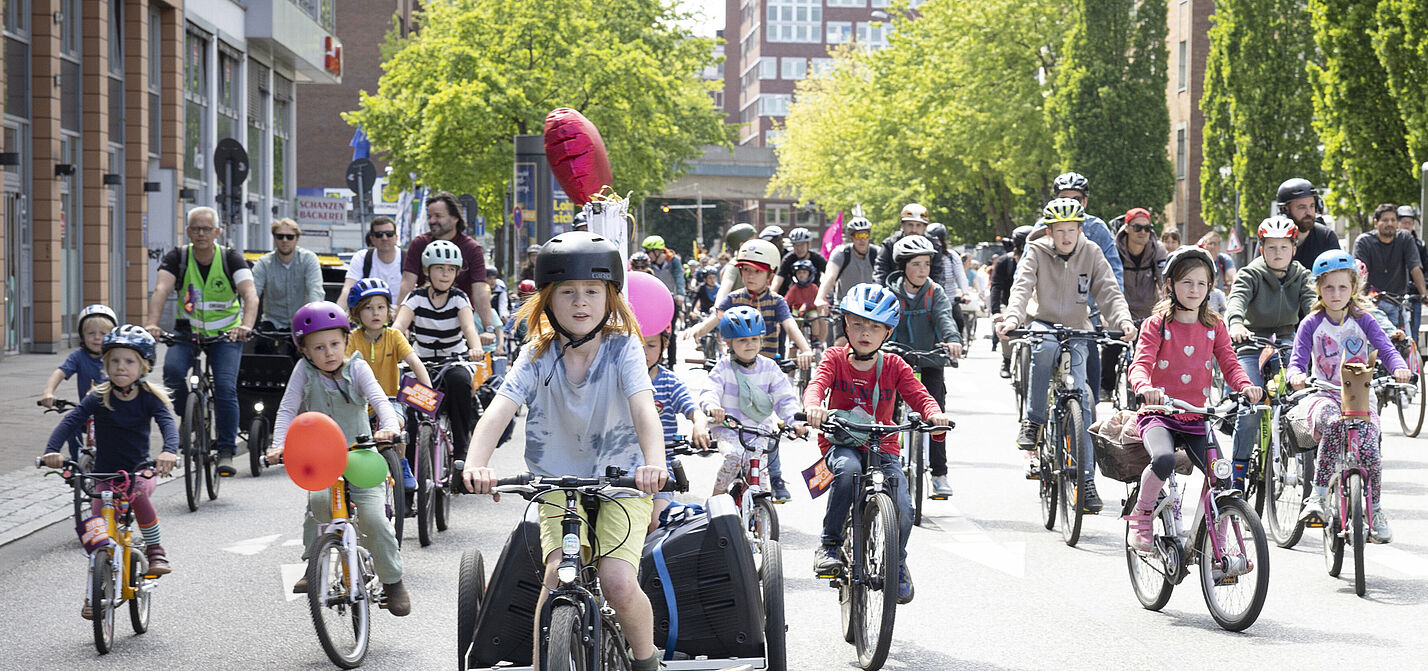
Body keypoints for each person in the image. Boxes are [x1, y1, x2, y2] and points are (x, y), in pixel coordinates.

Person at [461, 231, 669, 671]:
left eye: (592, 291)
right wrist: (476, 464)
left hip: (623, 481)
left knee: (617, 581)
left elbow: (644, 410)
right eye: (568, 292)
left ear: (610, 297)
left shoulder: (623, 345)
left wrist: (655, 463)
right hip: (556, 482)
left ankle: (646, 660)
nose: (580, 302)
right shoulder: (536, 353)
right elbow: (498, 412)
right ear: (548, 301)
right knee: (556, 574)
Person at [802, 283, 953, 604]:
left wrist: (934, 414)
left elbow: (920, 396)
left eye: (874, 327)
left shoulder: (895, 366)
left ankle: (897, 563)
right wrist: (814, 405)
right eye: (857, 324)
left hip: (882, 447)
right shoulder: (834, 358)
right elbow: (816, 385)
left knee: (904, 506)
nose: (865, 333)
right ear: (845, 325)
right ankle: (829, 544)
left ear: (888, 332)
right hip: (841, 443)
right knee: (847, 469)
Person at [266, 301, 409, 615]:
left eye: (334, 344)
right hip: (321, 459)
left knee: (373, 518)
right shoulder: (303, 371)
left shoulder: (357, 367)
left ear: (346, 340)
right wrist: (278, 446)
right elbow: (288, 409)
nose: (329, 352)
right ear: (304, 351)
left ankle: (392, 581)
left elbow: (379, 399)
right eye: (319, 347)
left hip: (361, 454)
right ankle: (313, 564)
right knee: (318, 502)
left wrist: (387, 427)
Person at [996, 198, 1136, 508]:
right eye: (1059, 231)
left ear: (1080, 229)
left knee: (1084, 398)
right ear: (1049, 231)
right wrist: (1012, 319)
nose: (1066, 237)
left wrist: (1123, 320)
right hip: (1044, 321)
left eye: (1071, 230)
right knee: (1043, 346)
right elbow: (1021, 287)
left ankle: (1086, 482)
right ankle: (1032, 422)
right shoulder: (1036, 251)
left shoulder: (1092, 252)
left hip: (1077, 327)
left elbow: (1109, 291)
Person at [1124, 248, 1262, 552]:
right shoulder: (1157, 324)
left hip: (1196, 417)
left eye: (1202, 284)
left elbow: (1230, 363)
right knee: (1163, 459)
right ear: (1171, 284)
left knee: (1222, 477)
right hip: (1159, 413)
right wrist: (1145, 386)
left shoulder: (1214, 325)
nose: (1195, 290)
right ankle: (1142, 514)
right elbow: (1141, 363)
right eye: (1187, 282)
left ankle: (1218, 544)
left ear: (1210, 288)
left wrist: (1246, 386)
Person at [41, 325, 179, 600]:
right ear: (105, 364)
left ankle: (155, 551)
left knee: (138, 494)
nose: (120, 367)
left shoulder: (149, 398)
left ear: (144, 367)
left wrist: (169, 451)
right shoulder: (98, 396)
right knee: (95, 526)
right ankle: (94, 591)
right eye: (114, 360)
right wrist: (52, 450)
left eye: (129, 361)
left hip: (140, 471)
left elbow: (167, 423)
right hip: (105, 474)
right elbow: (71, 420)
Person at [1289, 250, 1411, 543]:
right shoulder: (1312, 323)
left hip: (1359, 396)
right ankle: (1316, 497)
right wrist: (1296, 374)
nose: (1336, 293)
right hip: (1325, 393)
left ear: (1353, 288)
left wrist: (1399, 368)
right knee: (1332, 424)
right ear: (1318, 288)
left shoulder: (1365, 320)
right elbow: (1298, 358)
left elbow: (1385, 348)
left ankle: (1377, 510)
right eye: (1328, 287)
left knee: (1371, 454)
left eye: (1343, 287)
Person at [143, 206, 257, 477]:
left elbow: (250, 294)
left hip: (226, 334)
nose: (201, 233)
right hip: (187, 331)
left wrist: (246, 326)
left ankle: (226, 449)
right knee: (171, 373)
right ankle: (191, 417)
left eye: (207, 229)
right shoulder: (178, 258)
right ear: (188, 231)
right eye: (196, 228)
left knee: (226, 387)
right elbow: (161, 289)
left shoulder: (231, 259)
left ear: (217, 232)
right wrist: (152, 324)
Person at [1225, 216, 1315, 486]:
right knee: (1252, 402)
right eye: (1272, 247)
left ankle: (1309, 468)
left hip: (1287, 340)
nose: (1278, 253)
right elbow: (1237, 299)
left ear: (1293, 249)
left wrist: (1322, 325)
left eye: (1284, 247)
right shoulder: (1250, 273)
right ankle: (1237, 475)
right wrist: (1236, 323)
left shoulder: (1302, 275)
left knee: (1302, 399)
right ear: (1262, 249)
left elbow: (1313, 303)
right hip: (1252, 342)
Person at [884, 234, 963, 498]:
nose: (922, 270)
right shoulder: (890, 293)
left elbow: (945, 318)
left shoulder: (934, 292)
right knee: (887, 412)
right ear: (903, 266)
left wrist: (952, 340)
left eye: (926, 264)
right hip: (895, 361)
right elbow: (879, 323)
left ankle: (939, 474)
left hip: (929, 360)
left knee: (936, 414)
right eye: (916, 264)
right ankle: (885, 466)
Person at [700, 306, 808, 498]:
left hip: (759, 431)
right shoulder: (723, 367)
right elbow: (710, 390)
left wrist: (795, 421)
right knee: (733, 457)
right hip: (728, 429)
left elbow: (785, 399)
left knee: (760, 478)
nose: (749, 344)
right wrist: (713, 406)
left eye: (754, 339)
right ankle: (716, 500)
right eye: (742, 340)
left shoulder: (770, 367)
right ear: (729, 342)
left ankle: (762, 522)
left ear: (761, 340)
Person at [393, 240, 484, 461]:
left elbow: (469, 327)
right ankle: (411, 465)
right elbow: (398, 327)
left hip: (454, 360)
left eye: (451, 269)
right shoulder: (415, 298)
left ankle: (462, 451)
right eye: (440, 268)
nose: (445, 274)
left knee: (460, 383)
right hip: (420, 363)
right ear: (427, 271)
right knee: (412, 411)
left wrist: (476, 348)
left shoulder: (458, 298)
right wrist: (391, 343)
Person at [346, 278, 432, 487]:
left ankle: (401, 462)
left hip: (390, 398)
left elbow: (414, 362)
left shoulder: (394, 335)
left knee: (397, 425)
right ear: (357, 312)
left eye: (381, 307)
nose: (376, 313)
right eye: (368, 308)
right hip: (361, 403)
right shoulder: (352, 338)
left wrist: (427, 390)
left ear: (388, 310)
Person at [1052, 172, 1126, 406]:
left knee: (1091, 372)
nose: (1071, 202)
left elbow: (1113, 274)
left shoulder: (1098, 229)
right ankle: (1034, 420)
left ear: (1085, 202)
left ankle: (1087, 428)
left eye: (1077, 198)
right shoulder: (1043, 227)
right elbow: (1024, 272)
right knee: (1041, 359)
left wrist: (1112, 313)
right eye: (1065, 197)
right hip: (1049, 312)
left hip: (1087, 313)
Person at [399, 191, 501, 352]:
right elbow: (407, 283)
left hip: (458, 321)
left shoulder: (472, 248)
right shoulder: (419, 244)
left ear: (455, 218)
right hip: (423, 321)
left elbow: (480, 291)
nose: (432, 221)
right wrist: (400, 324)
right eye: (430, 216)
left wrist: (488, 328)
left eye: (438, 216)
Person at [641, 321, 711, 532]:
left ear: (664, 346)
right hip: (622, 470)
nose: (643, 352)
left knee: (656, 521)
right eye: (637, 345)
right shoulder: (615, 379)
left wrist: (699, 425)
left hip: (660, 473)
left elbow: (694, 411)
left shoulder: (669, 381)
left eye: (651, 345)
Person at [39, 304, 116, 459]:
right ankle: (77, 461)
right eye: (91, 333)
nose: (97, 337)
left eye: (103, 333)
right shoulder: (79, 356)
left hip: (113, 411)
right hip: (87, 410)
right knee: (71, 422)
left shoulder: (115, 357)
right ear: (82, 335)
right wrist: (48, 392)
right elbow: (60, 373)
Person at [1104, 209, 1166, 397]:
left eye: (1147, 228)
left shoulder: (1157, 249)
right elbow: (1106, 282)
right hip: (1120, 308)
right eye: (1137, 227)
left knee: (1148, 352)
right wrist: (1105, 312)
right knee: (1112, 345)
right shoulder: (1114, 249)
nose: (1143, 232)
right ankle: (1105, 387)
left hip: (1148, 310)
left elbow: (1164, 283)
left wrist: (1166, 308)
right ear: (1126, 228)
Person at [1353, 203, 1427, 330]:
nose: (1390, 224)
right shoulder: (1364, 242)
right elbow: (1360, 273)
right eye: (1385, 220)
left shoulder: (1405, 238)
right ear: (1376, 223)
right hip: (1371, 305)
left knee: (1407, 344)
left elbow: (1415, 267)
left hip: (1397, 303)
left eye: (1393, 220)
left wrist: (1424, 295)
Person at [251, 218, 325, 330]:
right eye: (280, 236)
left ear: (297, 239)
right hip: (272, 322)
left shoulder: (308, 259)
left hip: (303, 321)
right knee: (261, 345)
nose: (285, 240)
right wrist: (245, 323)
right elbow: (252, 294)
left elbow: (315, 290)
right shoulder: (264, 263)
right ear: (274, 238)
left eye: (290, 237)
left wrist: (315, 319)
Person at [816, 216, 880, 344]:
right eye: (858, 235)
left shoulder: (877, 253)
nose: (862, 239)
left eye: (865, 235)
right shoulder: (841, 253)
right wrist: (820, 298)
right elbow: (830, 276)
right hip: (845, 306)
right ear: (851, 237)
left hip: (871, 307)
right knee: (842, 343)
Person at [991, 225, 1033, 377]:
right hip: (1008, 304)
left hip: (1034, 305)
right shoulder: (1004, 262)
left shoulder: (1042, 261)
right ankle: (1007, 360)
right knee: (1005, 325)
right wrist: (996, 312)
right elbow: (996, 287)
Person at [337, 216, 404, 309]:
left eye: (389, 234)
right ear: (372, 238)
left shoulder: (408, 259)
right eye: (379, 234)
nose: (384, 238)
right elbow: (348, 290)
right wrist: (337, 314)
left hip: (401, 315)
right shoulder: (362, 257)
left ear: (396, 237)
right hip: (367, 316)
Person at [874, 203, 946, 285]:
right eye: (910, 225)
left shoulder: (934, 246)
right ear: (902, 224)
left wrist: (935, 295)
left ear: (925, 227)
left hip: (925, 293)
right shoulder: (889, 244)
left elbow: (938, 275)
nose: (914, 230)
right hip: (893, 292)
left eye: (918, 225)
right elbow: (880, 271)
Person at [1278, 177, 1342, 269]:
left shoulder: (1326, 237)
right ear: (1285, 210)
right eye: (1301, 207)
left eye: (1312, 206)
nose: (1308, 212)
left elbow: (1338, 275)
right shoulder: (1271, 237)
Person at [1397, 204, 1426, 338]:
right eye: (1404, 222)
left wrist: (1423, 292)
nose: (1407, 226)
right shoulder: (1392, 243)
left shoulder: (1420, 245)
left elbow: (1424, 269)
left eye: (1410, 223)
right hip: (1395, 296)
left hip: (1414, 295)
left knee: (1413, 332)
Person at [772, 226, 828, 295]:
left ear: (809, 244)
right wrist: (772, 295)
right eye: (796, 245)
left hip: (814, 297)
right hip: (792, 297)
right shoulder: (788, 259)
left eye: (802, 245)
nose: (799, 248)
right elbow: (778, 280)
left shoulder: (817, 258)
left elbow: (830, 275)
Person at [714, 223, 757, 305]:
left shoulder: (753, 263)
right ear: (742, 245)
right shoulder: (734, 266)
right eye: (753, 240)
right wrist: (718, 307)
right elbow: (724, 288)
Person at [784, 259, 824, 345]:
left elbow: (821, 299)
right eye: (799, 273)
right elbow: (786, 301)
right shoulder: (794, 288)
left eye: (804, 272)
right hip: (797, 310)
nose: (801, 275)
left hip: (810, 310)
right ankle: (794, 338)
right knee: (794, 319)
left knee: (814, 317)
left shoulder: (814, 287)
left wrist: (825, 305)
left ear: (809, 274)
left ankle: (815, 337)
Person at [1196, 230, 1238, 295]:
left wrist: (1234, 279)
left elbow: (1232, 276)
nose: (1212, 246)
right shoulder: (1199, 260)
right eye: (1210, 243)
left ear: (1219, 246)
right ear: (1204, 245)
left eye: (1215, 244)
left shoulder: (1224, 259)